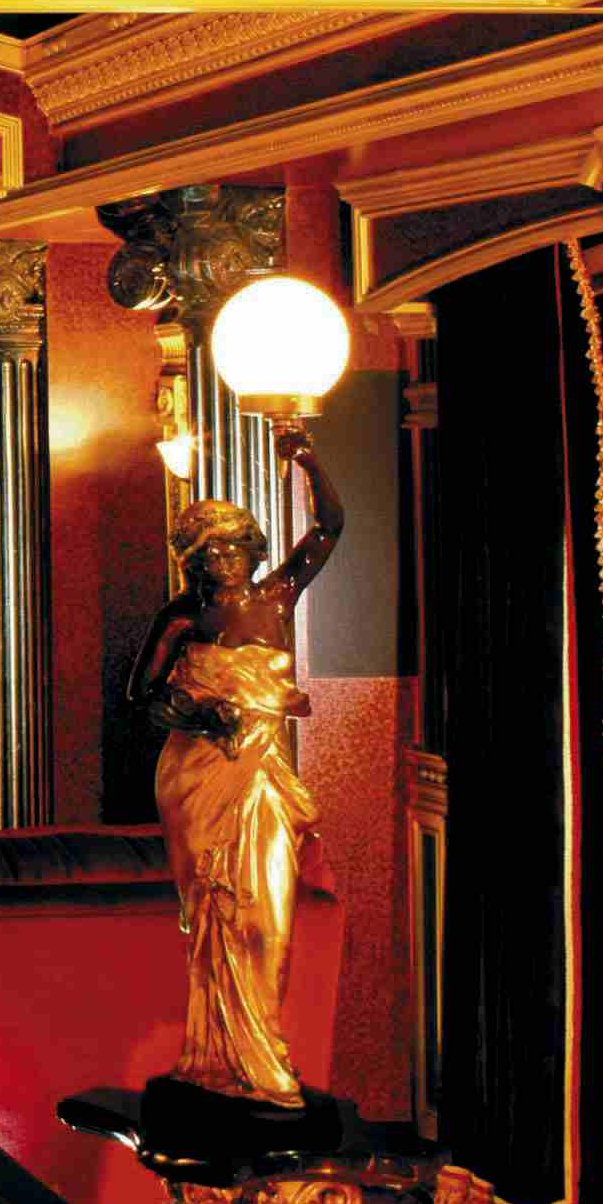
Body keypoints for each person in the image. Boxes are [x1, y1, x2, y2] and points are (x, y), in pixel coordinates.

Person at [119, 426, 343, 1109]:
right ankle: (216, 1059)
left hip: (262, 775)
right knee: (212, 910)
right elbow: (141, 697)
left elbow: (329, 528)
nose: (223, 558)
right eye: (209, 549)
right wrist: (199, 716)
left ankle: (261, 1057)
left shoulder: (278, 596)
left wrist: (307, 456)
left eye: (233, 545)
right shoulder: (183, 617)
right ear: (193, 559)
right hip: (198, 776)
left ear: (253, 547)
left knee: (267, 917)